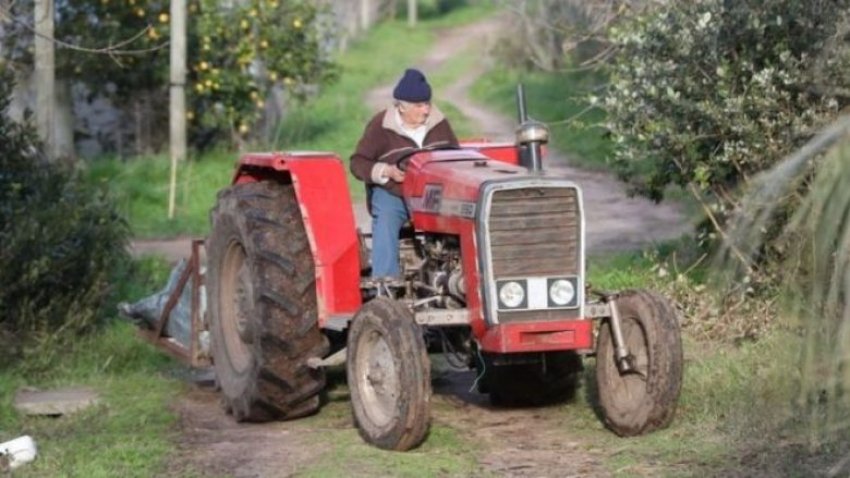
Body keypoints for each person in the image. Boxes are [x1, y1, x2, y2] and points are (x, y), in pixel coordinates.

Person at [350, 68, 459, 278]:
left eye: (427, 104)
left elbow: (455, 156)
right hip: (395, 192)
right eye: (419, 106)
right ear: (401, 106)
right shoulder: (380, 125)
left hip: (434, 194)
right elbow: (358, 163)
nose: (425, 110)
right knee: (386, 218)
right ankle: (386, 282)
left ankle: (458, 276)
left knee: (464, 216)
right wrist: (386, 171)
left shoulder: (439, 123)